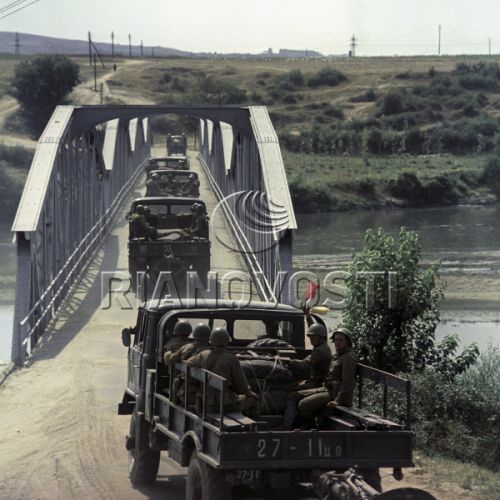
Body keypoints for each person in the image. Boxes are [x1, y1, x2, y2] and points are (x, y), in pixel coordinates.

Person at [186, 327, 259, 419]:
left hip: (205, 401)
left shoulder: (204, 354)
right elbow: (241, 385)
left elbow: (188, 363)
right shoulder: (231, 358)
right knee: (254, 399)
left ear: (211, 341)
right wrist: (250, 393)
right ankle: (255, 428)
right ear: (226, 341)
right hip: (225, 404)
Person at [296, 327, 357, 425]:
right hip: (327, 389)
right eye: (336, 340)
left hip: (336, 394)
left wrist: (338, 401)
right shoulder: (337, 356)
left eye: (340, 340)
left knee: (303, 405)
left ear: (347, 342)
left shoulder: (348, 358)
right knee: (296, 394)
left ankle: (311, 427)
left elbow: (348, 382)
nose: (337, 342)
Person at [278, 323, 332, 429]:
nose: (311, 339)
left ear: (321, 337)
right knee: (293, 387)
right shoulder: (324, 347)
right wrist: (308, 316)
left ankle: (286, 425)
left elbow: (305, 365)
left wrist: (287, 361)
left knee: (291, 396)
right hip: (316, 381)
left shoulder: (320, 350)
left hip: (317, 383)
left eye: (313, 336)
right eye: (309, 336)